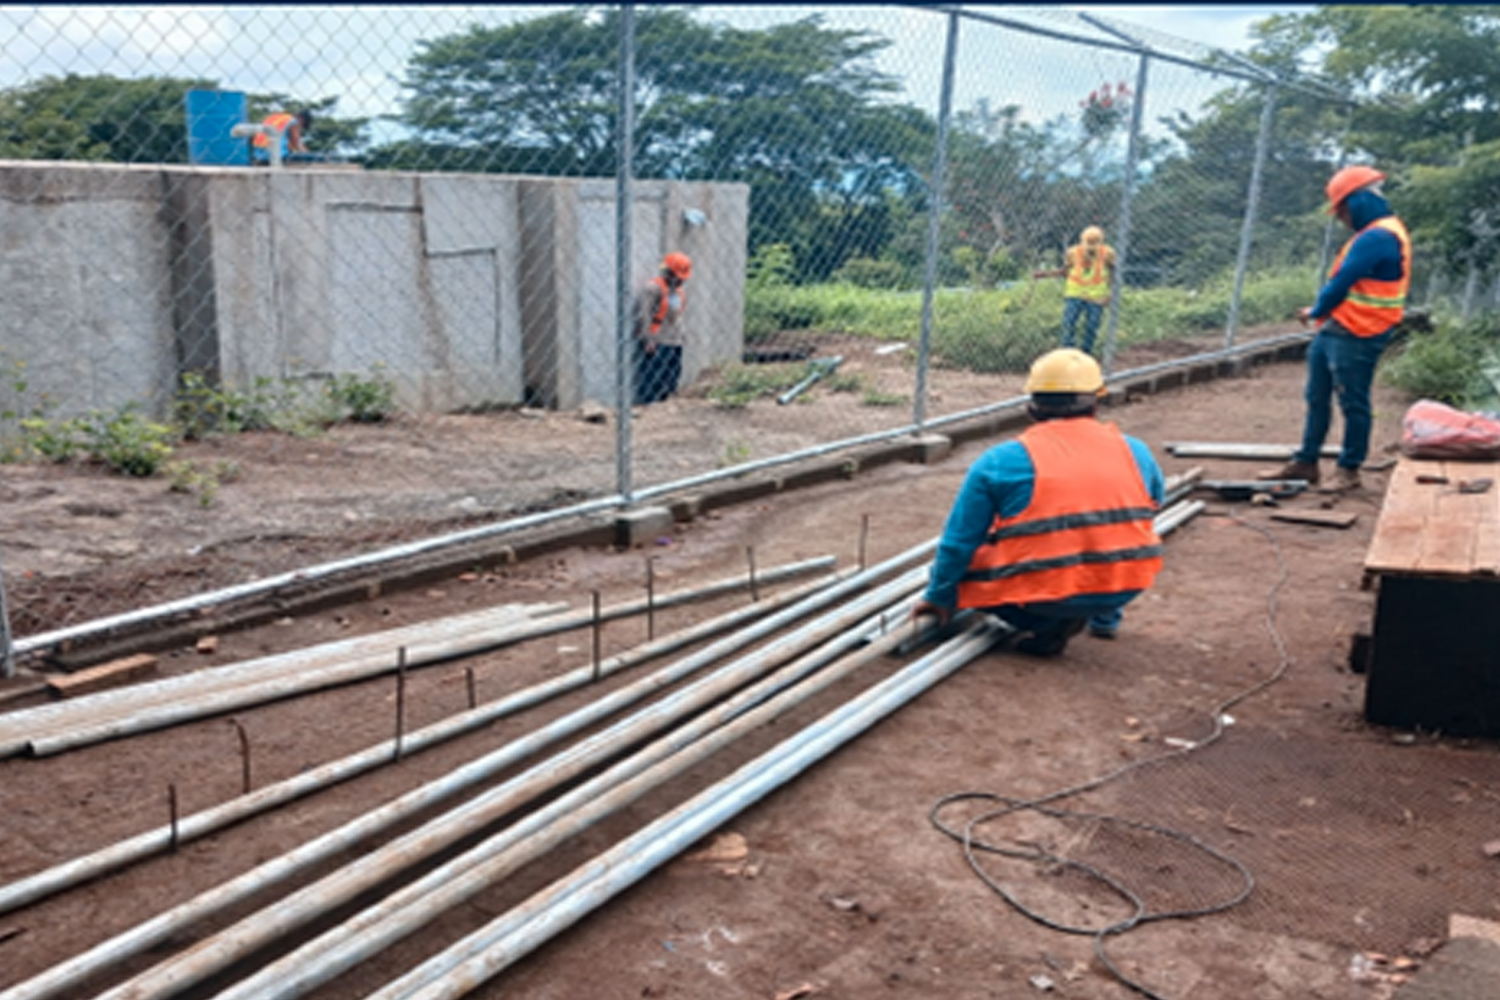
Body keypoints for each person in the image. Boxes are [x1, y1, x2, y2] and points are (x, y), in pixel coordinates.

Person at [913, 348, 1165, 656]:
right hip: (1127, 583)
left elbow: (959, 542)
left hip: (1046, 597)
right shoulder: (1135, 451)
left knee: (960, 569)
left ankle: (1047, 624)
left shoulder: (1000, 460)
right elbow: (1149, 507)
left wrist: (939, 597)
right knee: (1109, 532)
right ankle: (1105, 619)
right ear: (1096, 404)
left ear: (1031, 407)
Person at [1264, 165, 1411, 494]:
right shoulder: (1373, 233)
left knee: (1353, 402)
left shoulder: (1379, 236)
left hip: (1361, 332)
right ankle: (1306, 462)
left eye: (1343, 210)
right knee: (1316, 396)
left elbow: (1342, 281)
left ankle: (1348, 470)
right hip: (1338, 326)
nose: (1342, 218)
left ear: (1358, 202)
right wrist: (1322, 313)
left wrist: (1316, 310)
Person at [1032, 226, 1117, 355]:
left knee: (1091, 327)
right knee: (1068, 324)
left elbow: (1113, 273)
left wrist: (1111, 293)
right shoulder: (1073, 252)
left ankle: (1086, 353)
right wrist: (1045, 274)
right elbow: (1064, 271)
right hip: (1074, 294)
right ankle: (1068, 352)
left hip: (1096, 297)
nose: (1091, 247)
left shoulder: (1108, 253)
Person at [634, 252, 692, 405]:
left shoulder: (678, 291)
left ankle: (666, 405)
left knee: (672, 377)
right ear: (669, 272)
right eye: (678, 276)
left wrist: (682, 337)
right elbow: (643, 315)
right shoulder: (653, 289)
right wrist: (648, 340)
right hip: (658, 340)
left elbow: (678, 316)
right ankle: (649, 404)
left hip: (675, 341)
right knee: (653, 377)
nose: (681, 280)